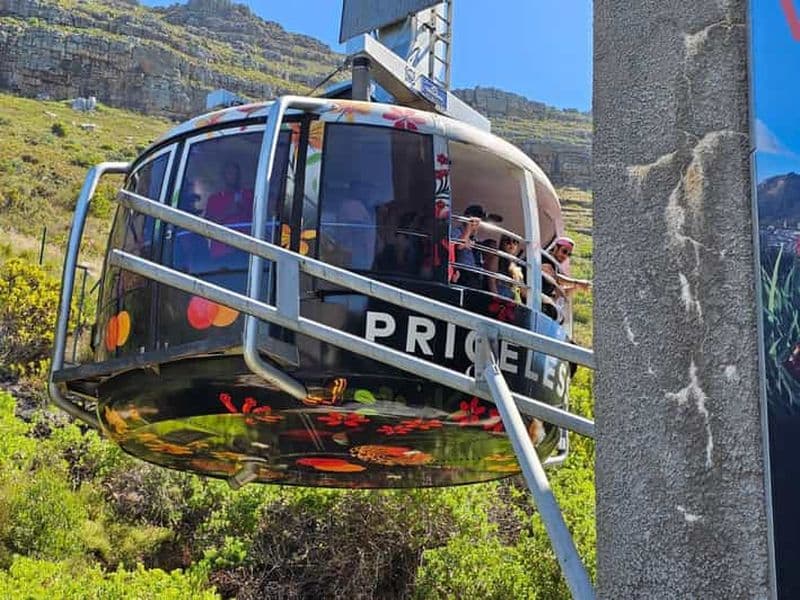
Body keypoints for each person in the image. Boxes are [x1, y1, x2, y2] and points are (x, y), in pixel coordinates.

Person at [205, 163, 254, 259]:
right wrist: (228, 212)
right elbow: (207, 226)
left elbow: (260, 218)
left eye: (235, 173)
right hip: (222, 250)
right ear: (224, 176)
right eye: (229, 173)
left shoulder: (249, 195)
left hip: (247, 248)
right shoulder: (214, 199)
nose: (232, 176)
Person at [451, 204, 486, 288]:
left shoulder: (474, 237)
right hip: (462, 272)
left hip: (474, 273)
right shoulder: (457, 231)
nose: (477, 222)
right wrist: (468, 227)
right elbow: (459, 246)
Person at [497, 234, 526, 304]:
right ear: (501, 244)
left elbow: (521, 290)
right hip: (502, 297)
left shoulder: (516, 266)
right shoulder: (496, 259)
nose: (511, 244)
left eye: (515, 242)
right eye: (507, 241)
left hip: (512, 300)